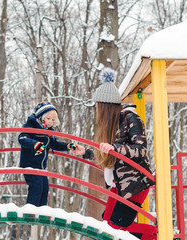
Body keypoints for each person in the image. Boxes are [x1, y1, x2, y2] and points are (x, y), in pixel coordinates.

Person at [73, 68, 156, 240]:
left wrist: (115, 148)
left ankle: (158, 235)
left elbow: (140, 149)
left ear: (105, 106)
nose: (96, 109)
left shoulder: (130, 118)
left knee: (117, 227)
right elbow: (111, 156)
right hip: (120, 185)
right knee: (106, 225)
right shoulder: (112, 126)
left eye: (97, 106)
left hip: (135, 184)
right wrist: (87, 152)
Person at [18, 101, 82, 207]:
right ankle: (31, 210)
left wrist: (68, 146)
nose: (51, 122)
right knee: (36, 186)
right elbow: (22, 138)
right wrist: (35, 144)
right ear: (40, 117)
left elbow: (54, 144)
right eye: (48, 119)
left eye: (53, 120)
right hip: (30, 164)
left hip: (41, 167)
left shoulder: (48, 132)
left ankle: (42, 210)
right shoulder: (31, 127)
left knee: (44, 188)